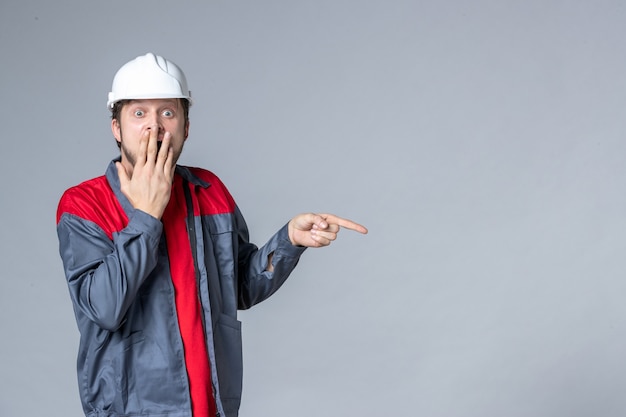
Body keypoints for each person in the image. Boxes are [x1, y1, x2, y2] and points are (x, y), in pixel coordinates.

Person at [56, 52, 367, 417]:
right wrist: (146, 215)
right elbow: (104, 309)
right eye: (139, 113)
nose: (154, 127)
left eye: (168, 113)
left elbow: (239, 288)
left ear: (186, 126)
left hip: (211, 405)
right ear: (116, 127)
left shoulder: (208, 190)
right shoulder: (83, 205)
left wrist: (290, 240)